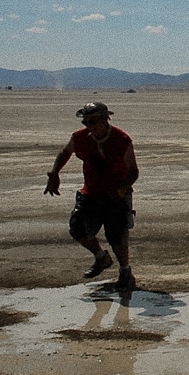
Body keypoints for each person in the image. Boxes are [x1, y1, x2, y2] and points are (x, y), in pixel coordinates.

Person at [44, 102, 139, 290]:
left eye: (93, 121)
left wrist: (122, 188)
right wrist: (55, 173)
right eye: (86, 122)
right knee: (78, 229)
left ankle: (125, 272)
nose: (90, 126)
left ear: (105, 119)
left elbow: (133, 171)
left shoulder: (121, 139)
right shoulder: (80, 138)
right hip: (91, 193)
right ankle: (101, 257)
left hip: (116, 196)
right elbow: (65, 152)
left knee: (117, 234)